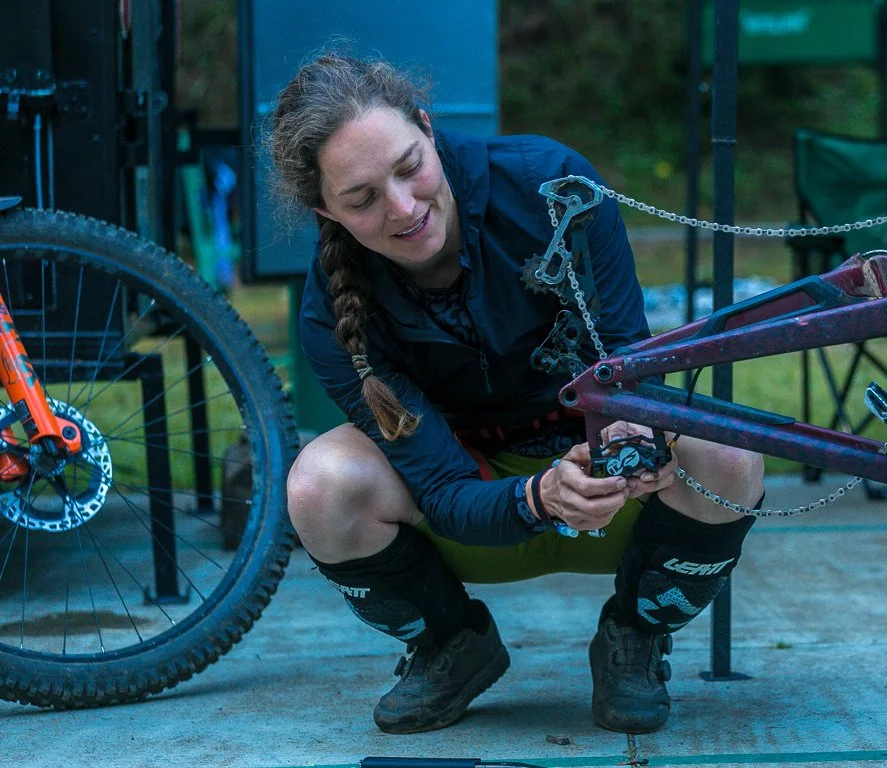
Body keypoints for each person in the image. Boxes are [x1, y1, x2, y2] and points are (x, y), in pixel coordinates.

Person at [271, 52, 766, 735]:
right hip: (470, 504)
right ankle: (451, 644)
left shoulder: (551, 184)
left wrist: (633, 435)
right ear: (324, 209)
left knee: (729, 452)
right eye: (362, 199)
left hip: (607, 483)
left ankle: (635, 635)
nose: (404, 207)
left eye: (410, 166)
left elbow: (628, 360)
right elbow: (441, 487)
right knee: (318, 485)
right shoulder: (330, 315)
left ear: (427, 127)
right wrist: (538, 497)